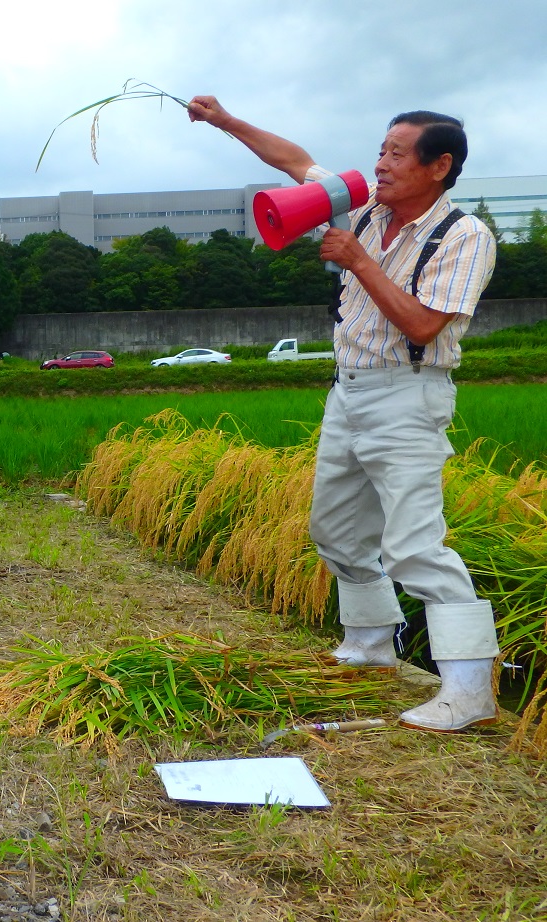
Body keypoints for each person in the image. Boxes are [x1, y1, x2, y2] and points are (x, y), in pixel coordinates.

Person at [188, 96, 500, 732]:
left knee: (414, 543)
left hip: (410, 393)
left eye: (396, 154)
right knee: (336, 531)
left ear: (439, 166)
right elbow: (297, 161)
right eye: (380, 150)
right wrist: (225, 122)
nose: (380, 164)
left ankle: (469, 689)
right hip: (349, 391)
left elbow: (422, 323)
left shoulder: (463, 235)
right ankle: (369, 642)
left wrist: (359, 261)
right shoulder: (361, 208)